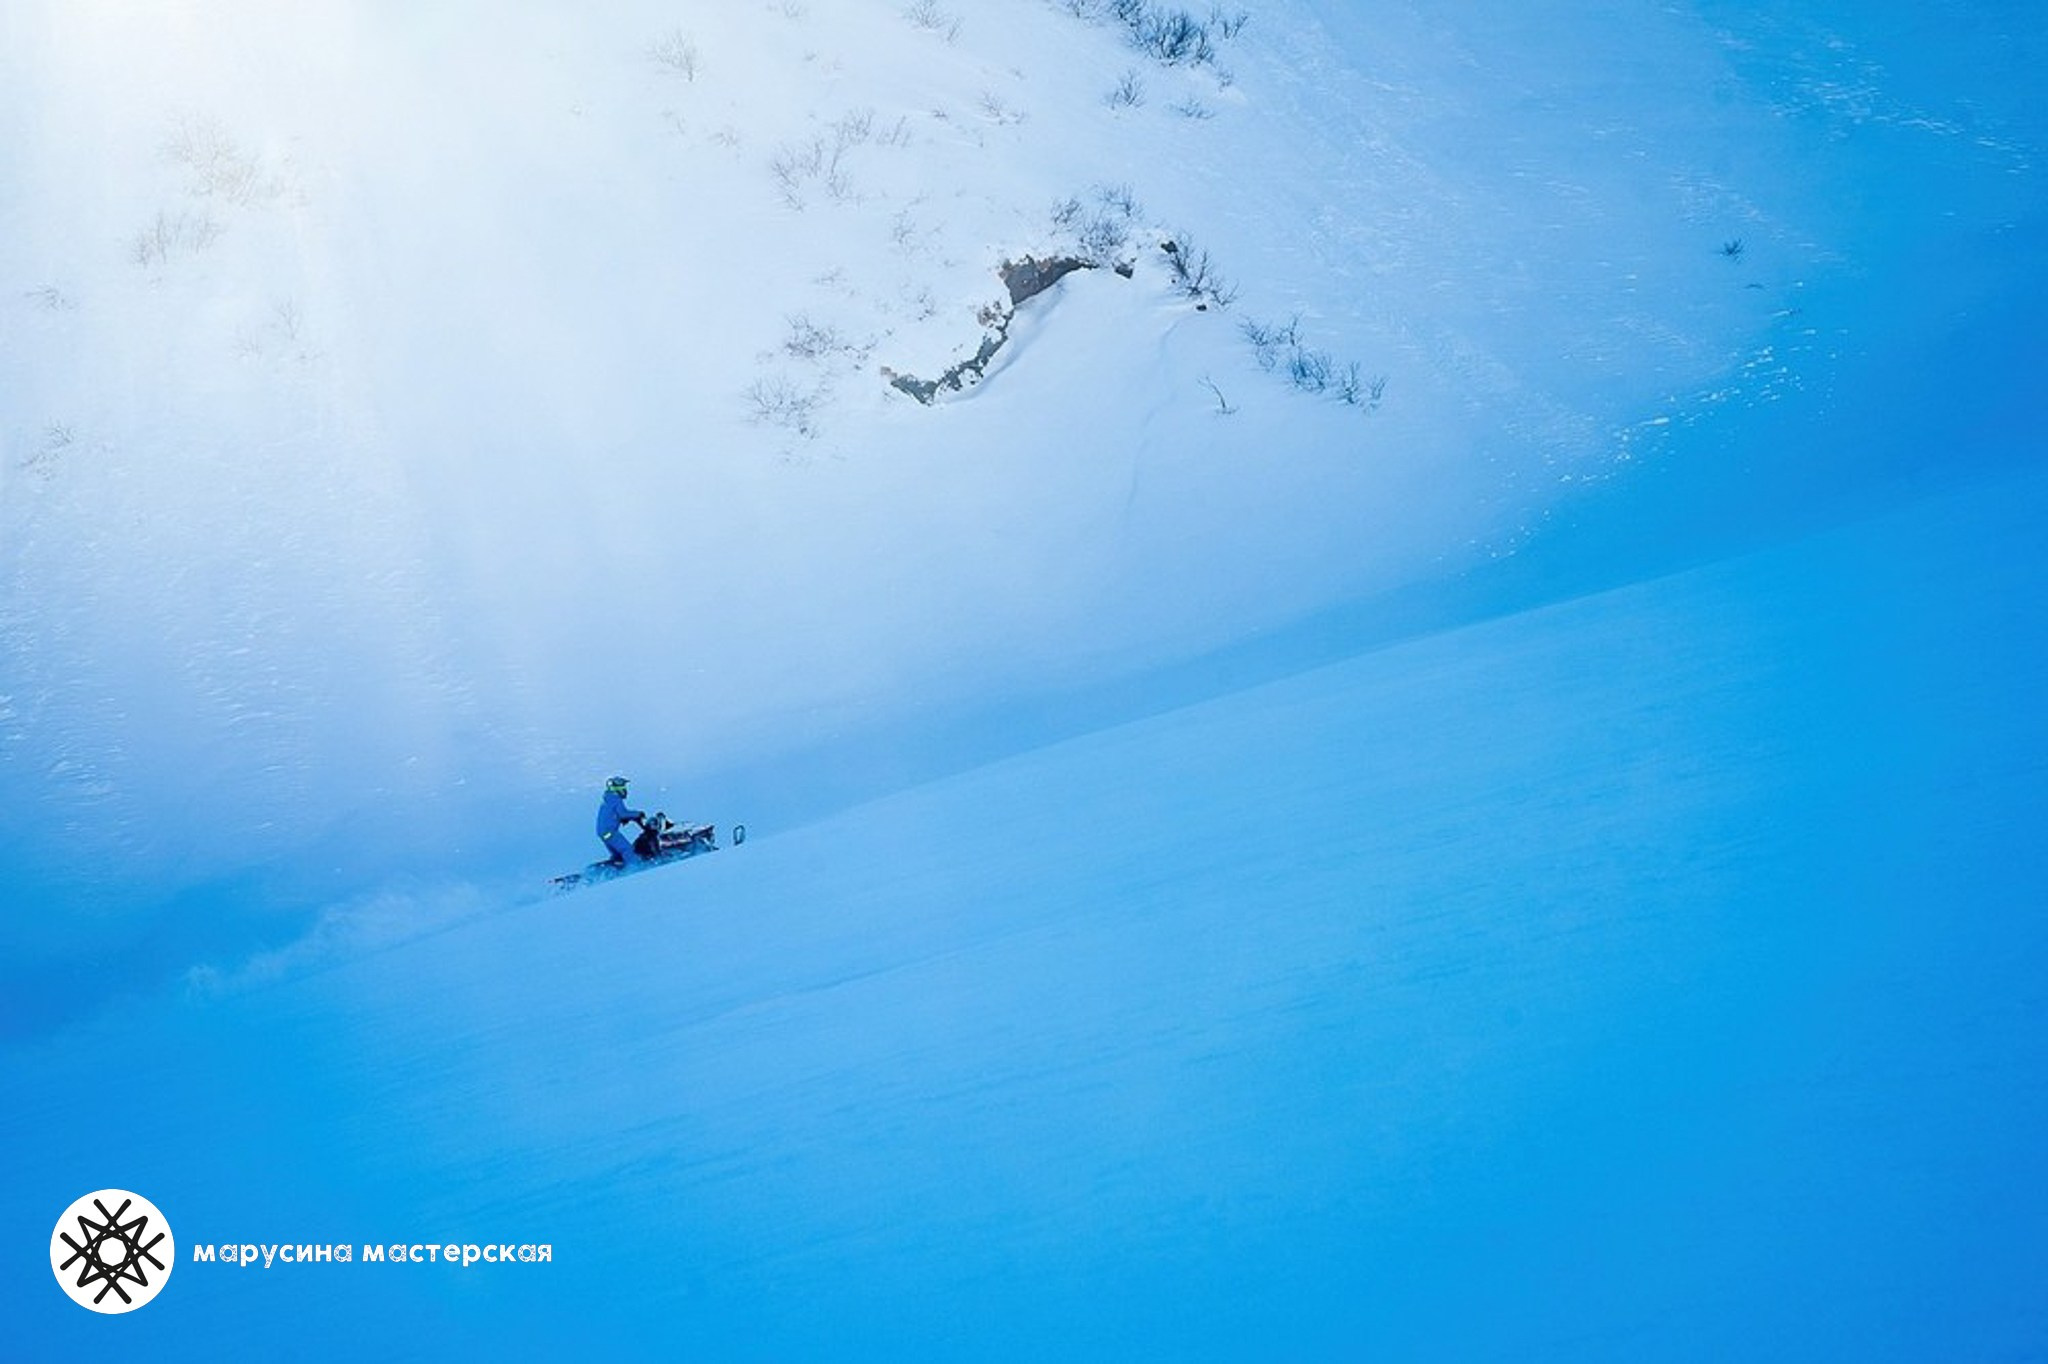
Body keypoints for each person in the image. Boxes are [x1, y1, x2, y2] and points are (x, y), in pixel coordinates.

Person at [595, 775, 646, 867]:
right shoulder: (615, 799)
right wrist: (638, 814)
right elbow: (623, 813)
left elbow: (613, 814)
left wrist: (622, 819)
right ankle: (635, 867)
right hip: (609, 831)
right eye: (623, 787)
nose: (625, 790)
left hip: (603, 832)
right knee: (627, 849)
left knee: (617, 853)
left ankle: (615, 867)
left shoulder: (608, 799)